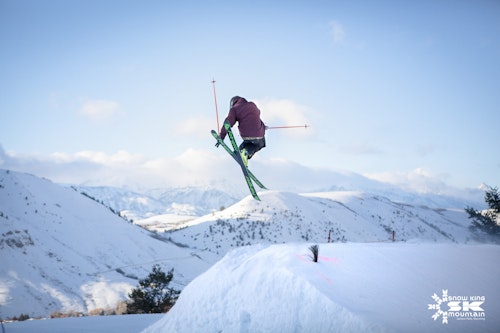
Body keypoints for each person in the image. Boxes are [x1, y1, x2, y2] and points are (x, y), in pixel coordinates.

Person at [218, 96, 266, 166]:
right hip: (259, 134)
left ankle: (242, 151)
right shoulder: (252, 104)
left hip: (245, 135)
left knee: (248, 141)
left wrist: (221, 136)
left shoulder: (234, 109)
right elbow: (257, 116)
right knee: (260, 143)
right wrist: (263, 126)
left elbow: (228, 122)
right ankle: (245, 153)